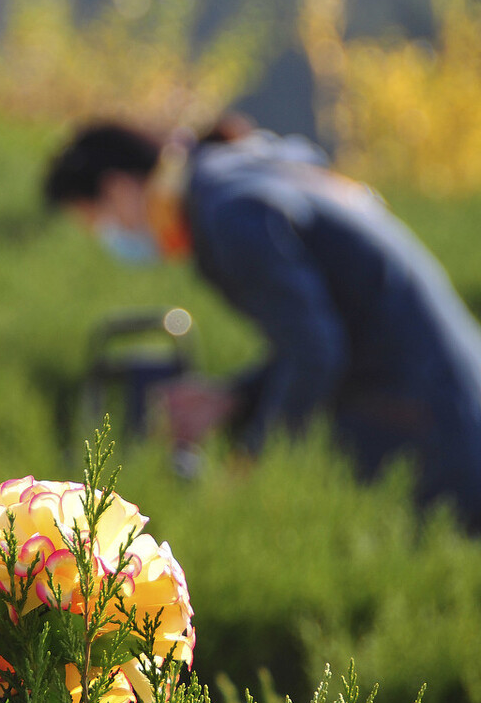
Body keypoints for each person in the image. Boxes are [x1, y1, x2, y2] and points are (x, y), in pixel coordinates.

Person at [44, 120, 481, 529]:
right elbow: (323, 338)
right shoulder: (238, 176)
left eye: (95, 221)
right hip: (448, 397)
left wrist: (247, 466)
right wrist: (232, 397)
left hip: (433, 430)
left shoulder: (229, 214)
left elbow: (316, 353)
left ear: (118, 189)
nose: (107, 235)